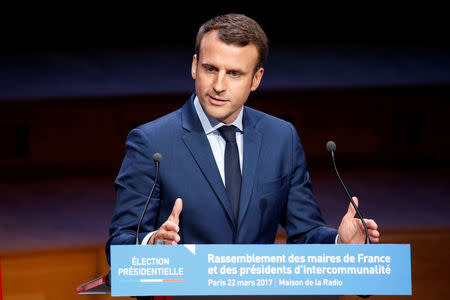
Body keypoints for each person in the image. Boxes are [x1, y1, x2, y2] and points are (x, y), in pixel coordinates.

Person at [106, 13, 379, 263]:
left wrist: (339, 242)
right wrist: (152, 244)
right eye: (210, 69)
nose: (219, 85)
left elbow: (305, 232)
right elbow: (119, 244)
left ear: (256, 79)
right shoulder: (152, 142)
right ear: (194, 66)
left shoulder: (280, 138)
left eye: (234, 73)